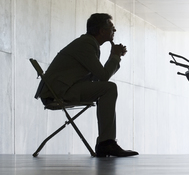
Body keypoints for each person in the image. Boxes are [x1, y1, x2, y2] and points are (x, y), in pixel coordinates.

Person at [37, 13, 138, 157]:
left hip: (63, 89)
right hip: (58, 92)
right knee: (109, 88)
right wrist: (115, 56)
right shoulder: (86, 44)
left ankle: (106, 142)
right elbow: (103, 77)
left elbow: (99, 79)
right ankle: (106, 143)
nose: (114, 31)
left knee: (108, 88)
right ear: (102, 31)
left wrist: (114, 57)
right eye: (112, 28)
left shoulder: (90, 44)